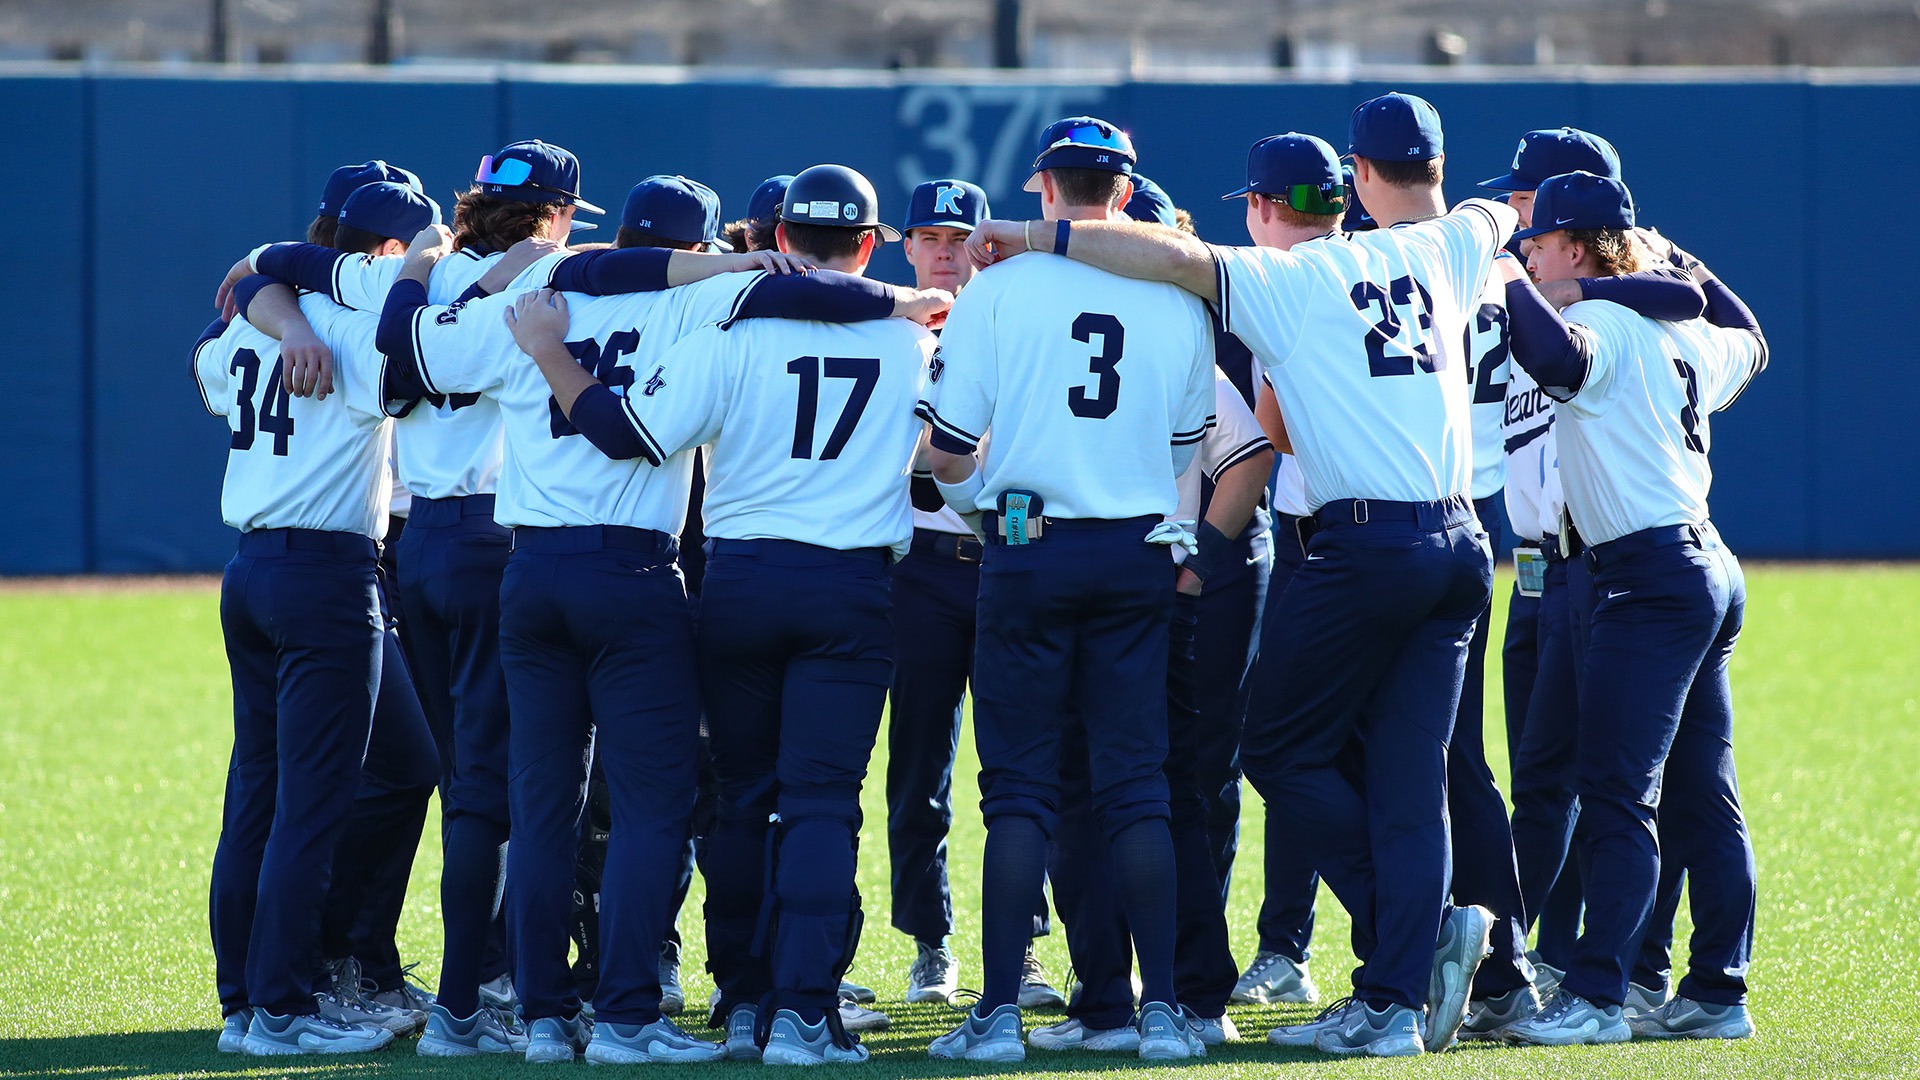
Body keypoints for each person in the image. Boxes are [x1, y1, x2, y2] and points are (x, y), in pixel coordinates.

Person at [966, 121, 1515, 1056]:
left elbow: (1165, 252)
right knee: (1411, 777)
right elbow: (1506, 210)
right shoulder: (1446, 242)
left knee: (1280, 748)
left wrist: (1023, 236)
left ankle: (1402, 949)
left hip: (1361, 546)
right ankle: (1396, 993)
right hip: (1461, 542)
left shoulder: (1286, 281)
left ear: (1266, 207)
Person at [377, 193, 947, 1064]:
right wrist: (901, 302)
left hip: (528, 567)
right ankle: (632, 1015)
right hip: (637, 573)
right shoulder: (702, 301)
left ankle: (535, 1015)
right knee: (657, 807)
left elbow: (408, 351)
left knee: (539, 807)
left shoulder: (538, 289)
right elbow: (818, 296)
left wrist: (417, 272)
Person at [226, 140, 608, 1051]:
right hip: (471, 542)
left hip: (396, 549)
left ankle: (283, 986)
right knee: (505, 781)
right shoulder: (474, 292)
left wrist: (259, 275)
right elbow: (402, 359)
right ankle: (479, 988)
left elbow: (255, 290)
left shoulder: (296, 311)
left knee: (376, 775)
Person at [921, 114, 1218, 1064]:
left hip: (1027, 549)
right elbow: (1183, 453)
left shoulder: (998, 292)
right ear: (1122, 195)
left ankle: (999, 1014)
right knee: (1137, 789)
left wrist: (980, 511)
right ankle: (1162, 1012)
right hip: (1134, 552)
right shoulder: (1174, 298)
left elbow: (949, 451)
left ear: (1044, 189)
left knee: (1018, 794)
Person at [1496, 171, 1763, 1046]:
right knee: (1700, 793)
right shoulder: (1680, 327)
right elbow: (1749, 337)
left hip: (1645, 578)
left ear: (1574, 246)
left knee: (1616, 793)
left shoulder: (1603, 323)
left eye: (1539, 242)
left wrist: (1508, 279)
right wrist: (1663, 267)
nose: (1528, 251)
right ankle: (1719, 990)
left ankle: (1601, 993)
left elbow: (1554, 358)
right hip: (1702, 566)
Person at [198, 182, 441, 1057]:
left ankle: (244, 999)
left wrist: (281, 312)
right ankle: (283, 1009)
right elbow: (410, 374)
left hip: (251, 569)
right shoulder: (360, 320)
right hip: (329, 576)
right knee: (311, 804)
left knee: (258, 796)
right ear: (378, 253)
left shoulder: (251, 324)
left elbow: (209, 359)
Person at [1344, 93, 1539, 1033]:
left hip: (1415, 514)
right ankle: (1490, 959)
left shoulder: (1397, 262)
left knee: (1414, 754)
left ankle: (1471, 955)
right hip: (1476, 518)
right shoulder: (1480, 250)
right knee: (1456, 756)